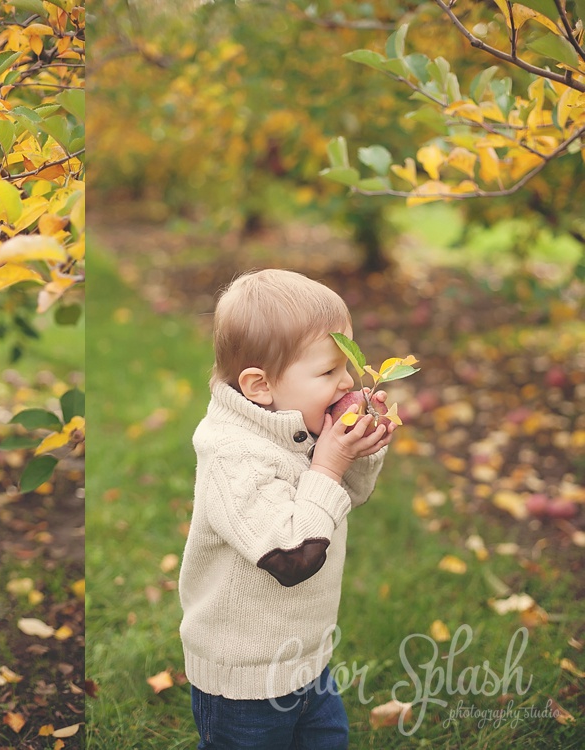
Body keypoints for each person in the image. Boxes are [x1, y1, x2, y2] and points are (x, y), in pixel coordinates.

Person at [178, 268, 396, 749]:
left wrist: (359, 449)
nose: (345, 384)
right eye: (327, 372)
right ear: (259, 385)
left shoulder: (293, 423)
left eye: (346, 367)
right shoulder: (233, 457)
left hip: (308, 659)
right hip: (243, 683)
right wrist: (330, 462)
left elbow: (343, 499)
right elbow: (293, 554)